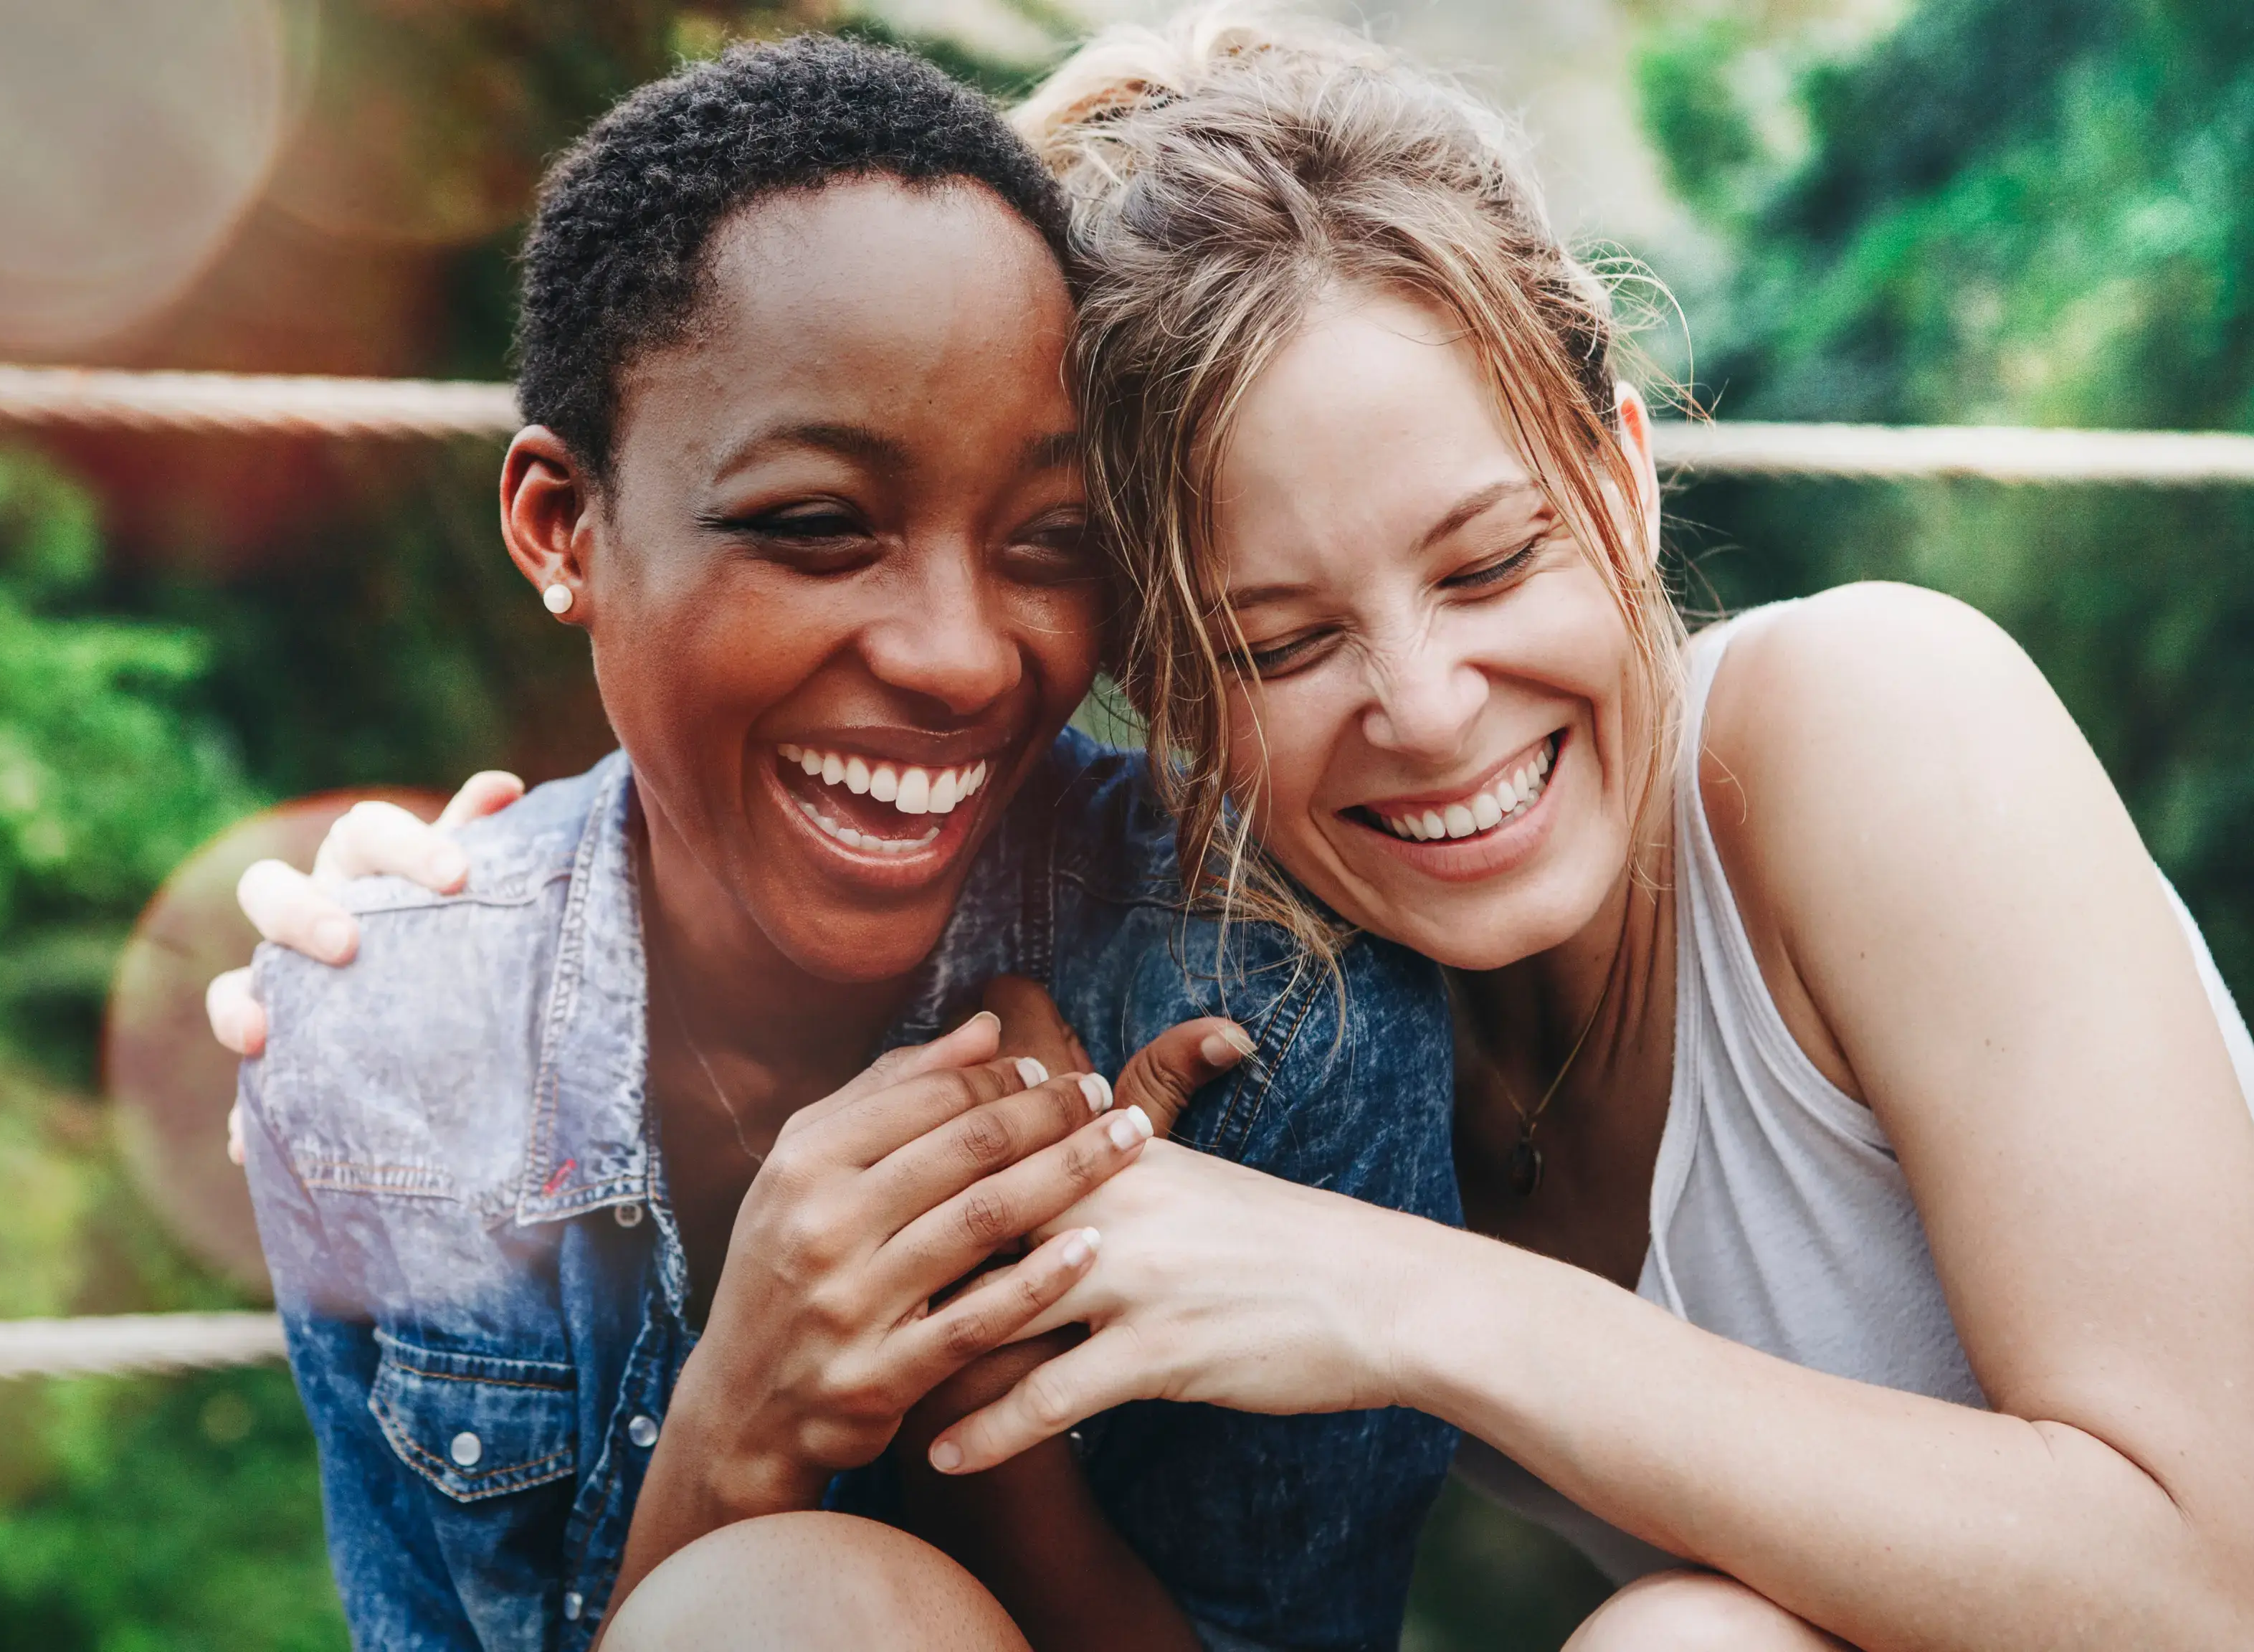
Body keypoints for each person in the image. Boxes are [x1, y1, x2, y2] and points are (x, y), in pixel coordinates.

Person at [893, 11, 2254, 1650]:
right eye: (1281, 644)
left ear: (1617, 472)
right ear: (1162, 692)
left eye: (1483, 565)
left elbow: (2205, 1579)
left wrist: (1411, 1302)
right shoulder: (1290, 1033)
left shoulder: (1871, 723)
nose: (1429, 706)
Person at [218, 37, 1461, 1652]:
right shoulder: (373, 1054)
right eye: (816, 527)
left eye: (1050, 542)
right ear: (559, 526)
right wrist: (740, 1424)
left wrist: (986, 1403)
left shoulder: (1266, 1004)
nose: (957, 654)